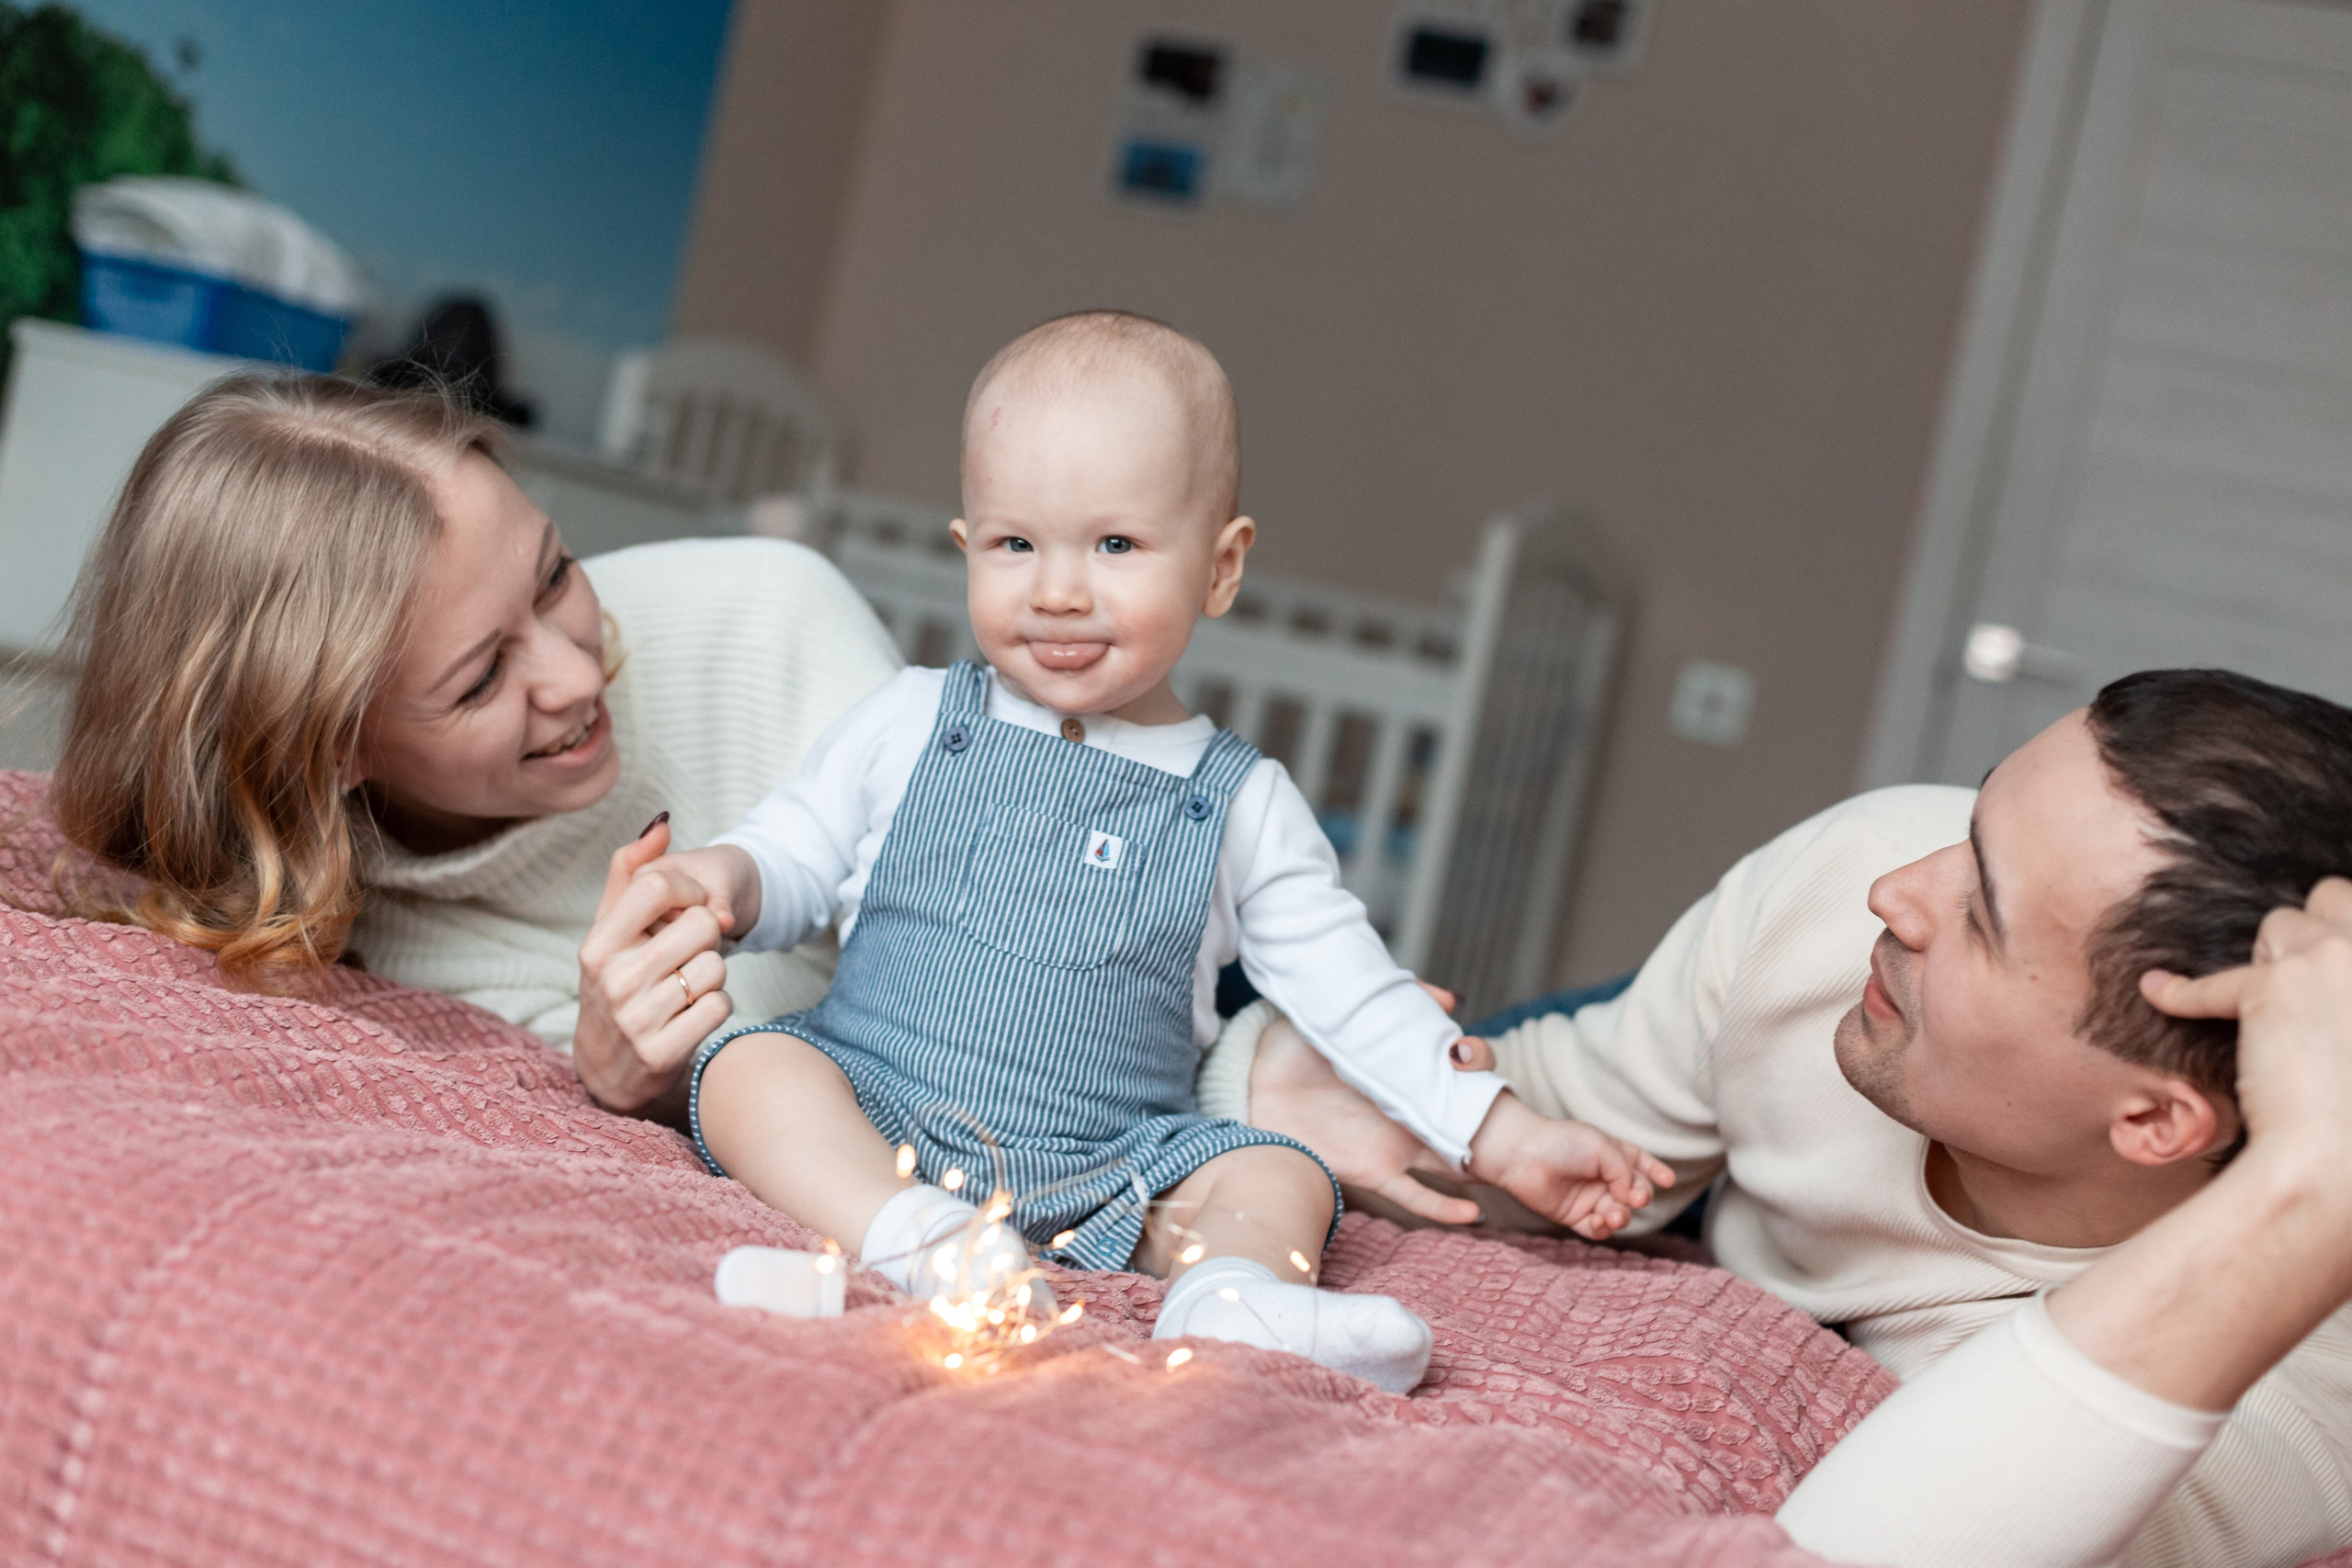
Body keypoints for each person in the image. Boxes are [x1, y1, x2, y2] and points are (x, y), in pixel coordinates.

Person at [611, 311, 1670, 1394]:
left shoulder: (1242, 803)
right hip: (877, 1102)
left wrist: (1503, 1136)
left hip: (1113, 1165)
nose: (1059, 590)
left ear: (1220, 568)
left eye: (1114, 545)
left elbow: (1357, 996)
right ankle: (918, 1242)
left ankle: (1233, 1296)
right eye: (1016, 544)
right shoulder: (914, 718)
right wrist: (725, 881)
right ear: (968, 549)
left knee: (1275, 1170)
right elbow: (796, 854)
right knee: (749, 1066)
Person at [1233, 668, 2352, 1566]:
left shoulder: (2300, 1375)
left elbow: (1868, 1546)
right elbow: (1542, 1134)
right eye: (1974, 821)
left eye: (1985, 913)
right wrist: (1295, 1083)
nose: (1896, 889)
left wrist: (2311, 1191)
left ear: (2157, 1122)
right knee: (1234, 1032)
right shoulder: (1849, 878)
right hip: (1760, 1073)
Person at [38, 372, 901, 1121]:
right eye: (483, 678)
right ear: (333, 748)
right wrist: (637, 1082)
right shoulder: (384, 947)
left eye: (555, 574)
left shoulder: (776, 614)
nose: (576, 676)